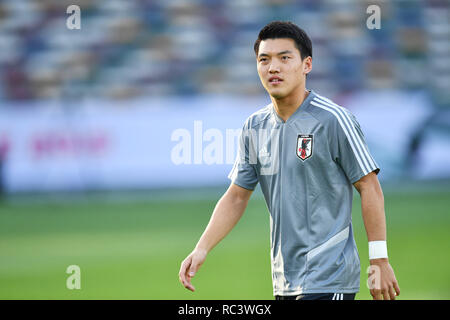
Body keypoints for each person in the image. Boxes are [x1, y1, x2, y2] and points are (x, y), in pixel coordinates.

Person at [179, 21, 400, 300]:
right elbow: (237, 196)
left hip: (329, 276)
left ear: (306, 64)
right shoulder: (255, 127)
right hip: (284, 279)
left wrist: (379, 260)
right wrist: (201, 248)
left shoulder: (333, 119)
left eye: (284, 58)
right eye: (264, 60)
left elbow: (369, 187)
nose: (273, 67)